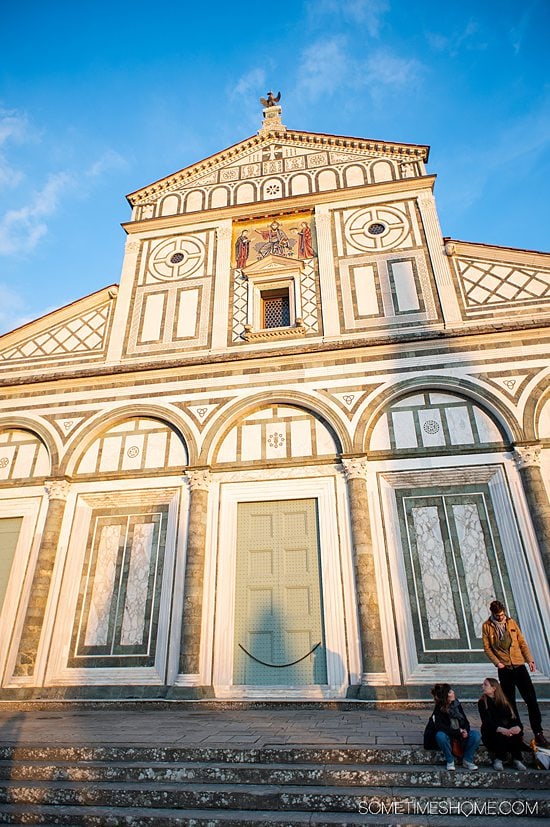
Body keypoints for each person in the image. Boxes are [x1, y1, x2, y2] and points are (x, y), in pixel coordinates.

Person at [482, 599, 548, 747]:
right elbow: (487, 647)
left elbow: (522, 643)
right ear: (493, 614)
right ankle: (518, 733)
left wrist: (530, 660)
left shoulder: (511, 623)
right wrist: (497, 663)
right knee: (510, 702)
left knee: (531, 699)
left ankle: (538, 732)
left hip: (519, 665)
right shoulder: (487, 626)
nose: (501, 617)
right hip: (504, 668)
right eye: (498, 615)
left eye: (502, 615)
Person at [424, 683, 480, 771]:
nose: (453, 692)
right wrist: (458, 731)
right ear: (445, 696)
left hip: (460, 736)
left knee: (476, 735)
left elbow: (465, 721)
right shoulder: (439, 709)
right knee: (440, 735)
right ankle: (450, 761)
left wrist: (465, 730)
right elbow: (441, 727)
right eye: (450, 692)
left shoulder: (456, 704)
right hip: (449, 737)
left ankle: (467, 760)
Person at [479, 677, 526, 771]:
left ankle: (517, 759)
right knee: (500, 734)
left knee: (516, 733)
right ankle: (499, 759)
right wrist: (500, 729)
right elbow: (487, 722)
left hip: (507, 729)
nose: (482, 686)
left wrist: (518, 727)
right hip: (491, 731)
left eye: (485, 684)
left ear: (494, 688)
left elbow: (514, 717)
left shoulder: (505, 701)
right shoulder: (482, 702)